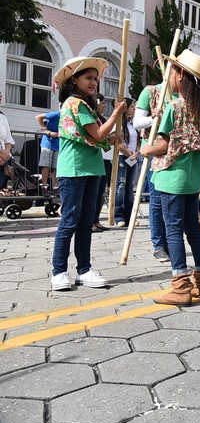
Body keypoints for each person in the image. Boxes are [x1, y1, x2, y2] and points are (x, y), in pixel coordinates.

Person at [141, 50, 200, 306]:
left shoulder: (175, 108)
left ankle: (181, 285)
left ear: (180, 74)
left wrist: (146, 149)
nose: (169, 74)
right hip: (193, 178)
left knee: (173, 229)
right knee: (193, 229)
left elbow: (162, 145)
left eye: (172, 70)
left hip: (172, 177)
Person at [50, 57, 126, 290]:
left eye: (95, 79)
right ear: (74, 80)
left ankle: (84, 270)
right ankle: (59, 271)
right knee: (70, 221)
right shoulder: (75, 104)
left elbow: (97, 138)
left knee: (86, 223)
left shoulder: (87, 106)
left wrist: (113, 138)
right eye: (88, 78)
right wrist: (116, 113)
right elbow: (99, 135)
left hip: (92, 169)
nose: (94, 82)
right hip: (74, 169)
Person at [133, 76, 179, 262]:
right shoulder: (151, 92)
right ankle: (159, 244)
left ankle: (172, 241)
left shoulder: (183, 95)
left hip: (176, 152)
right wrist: (155, 119)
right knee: (158, 200)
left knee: (173, 201)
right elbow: (137, 122)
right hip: (155, 151)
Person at [114, 98, 139, 227]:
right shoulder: (119, 122)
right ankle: (119, 216)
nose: (134, 109)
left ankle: (130, 216)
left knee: (129, 187)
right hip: (122, 157)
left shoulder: (133, 123)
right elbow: (116, 142)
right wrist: (127, 152)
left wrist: (136, 152)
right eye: (132, 107)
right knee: (121, 185)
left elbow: (137, 142)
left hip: (132, 158)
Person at [92, 94, 112, 233]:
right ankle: (90, 221)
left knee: (100, 192)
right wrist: (116, 113)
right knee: (94, 193)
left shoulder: (101, 118)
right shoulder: (92, 116)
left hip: (104, 158)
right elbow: (99, 137)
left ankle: (96, 219)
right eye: (102, 103)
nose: (104, 105)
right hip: (96, 157)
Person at [35, 110, 60, 195]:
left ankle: (56, 187)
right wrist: (47, 131)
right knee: (46, 165)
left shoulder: (70, 116)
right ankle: (44, 186)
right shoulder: (57, 114)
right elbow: (38, 117)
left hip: (59, 143)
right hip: (48, 142)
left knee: (57, 166)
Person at [0, 94, 15, 190]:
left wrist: (6, 153)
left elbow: (8, 138)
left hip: (3, 158)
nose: (1, 97)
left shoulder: (2, 117)